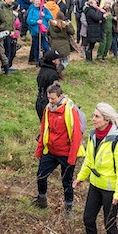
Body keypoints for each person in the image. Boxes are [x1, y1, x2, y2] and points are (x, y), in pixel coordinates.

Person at [74, 103, 118, 234]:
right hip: (95, 185)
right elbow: (89, 160)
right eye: (93, 115)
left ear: (107, 120)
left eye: (97, 116)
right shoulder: (93, 136)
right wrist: (80, 178)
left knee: (109, 223)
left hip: (110, 190)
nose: (93, 119)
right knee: (88, 218)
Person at [33, 83, 85, 213]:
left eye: (53, 99)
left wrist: (72, 158)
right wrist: (39, 150)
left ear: (60, 97)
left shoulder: (70, 110)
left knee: (66, 181)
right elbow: (44, 130)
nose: (50, 101)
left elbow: (76, 135)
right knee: (41, 176)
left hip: (66, 154)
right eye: (49, 98)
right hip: (50, 151)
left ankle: (68, 208)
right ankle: (42, 200)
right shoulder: (47, 109)